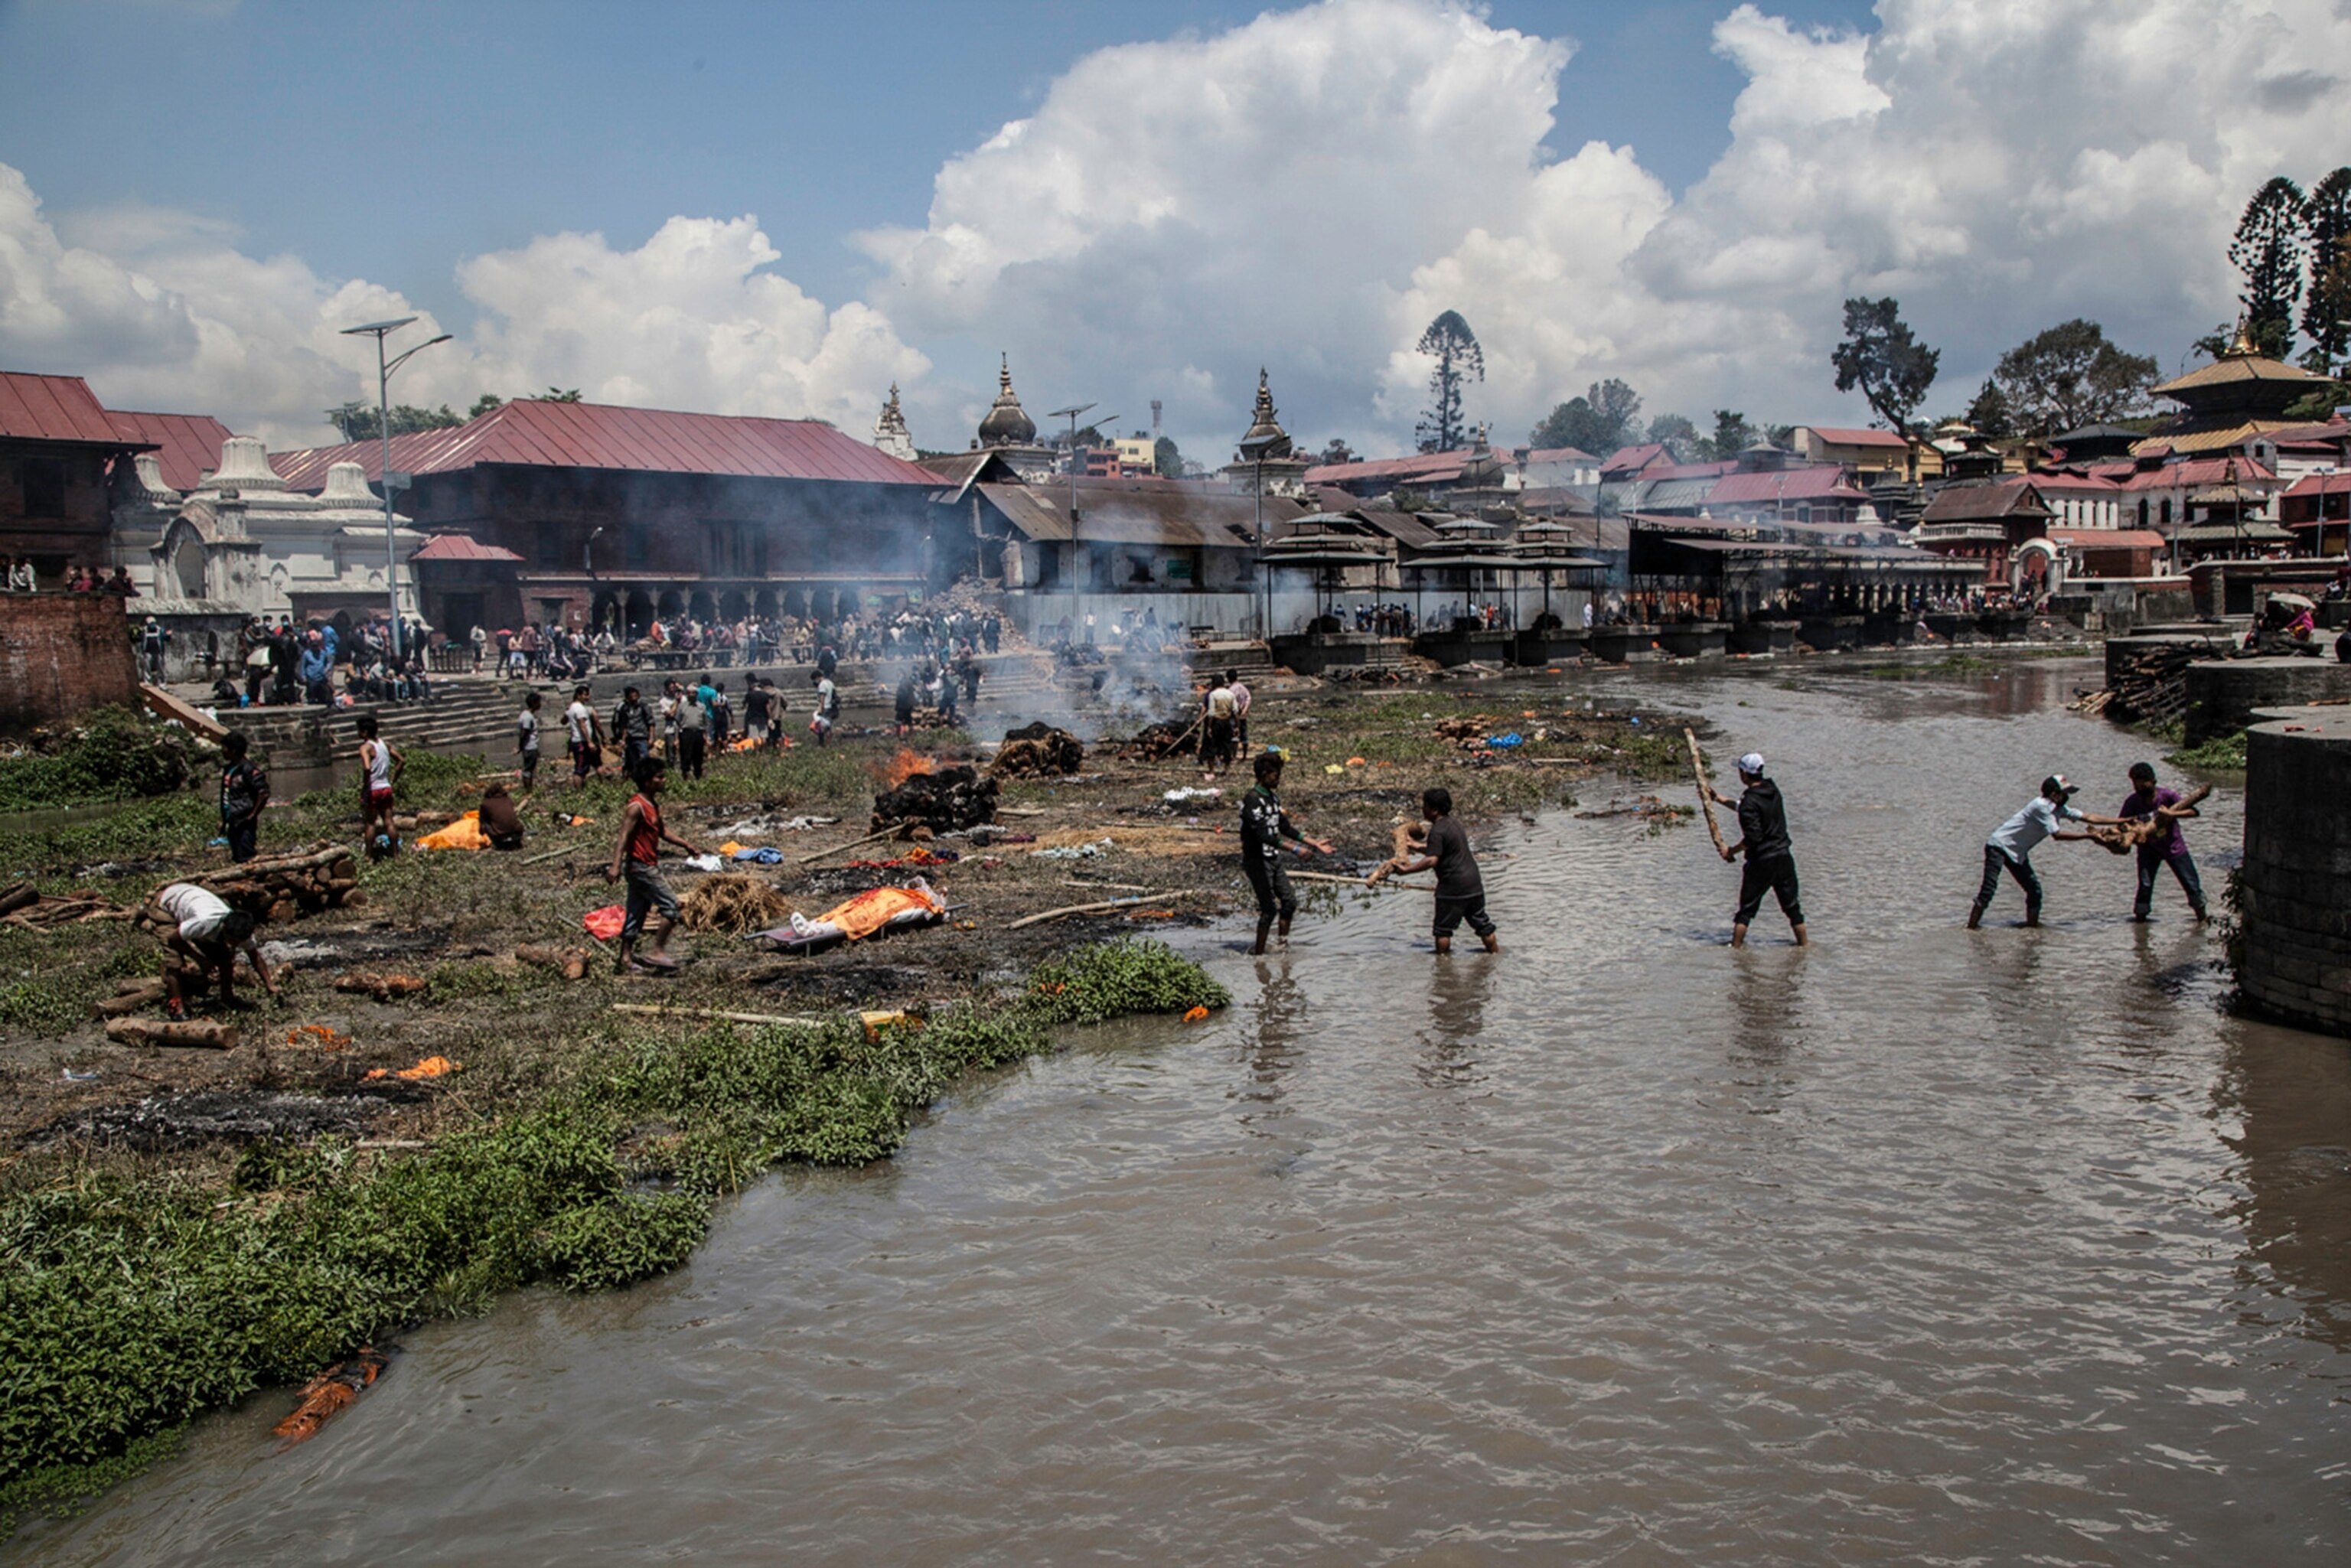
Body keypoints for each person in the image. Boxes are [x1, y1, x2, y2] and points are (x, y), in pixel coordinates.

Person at [605, 756, 706, 973]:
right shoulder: (636, 807)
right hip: (641, 867)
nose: (664, 780)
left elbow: (661, 831)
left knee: (636, 914)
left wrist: (686, 845)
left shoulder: (652, 805)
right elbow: (623, 836)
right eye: (660, 777)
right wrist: (615, 866)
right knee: (672, 907)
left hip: (644, 866)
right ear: (648, 781)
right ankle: (657, 951)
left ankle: (625, 959)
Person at [1969, 774, 2106, 929]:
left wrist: (2123, 820)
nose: (2066, 797)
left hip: (2017, 852)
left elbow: (2089, 817)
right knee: (1989, 889)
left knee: (2034, 890)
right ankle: (1971, 928)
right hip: (1999, 847)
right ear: (2054, 794)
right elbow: (2058, 835)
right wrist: (2089, 836)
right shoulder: (2041, 806)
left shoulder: (2058, 808)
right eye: (2064, 794)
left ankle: (2032, 929)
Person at [1376, 786, 1500, 955]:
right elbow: (1441, 850)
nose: (1423, 810)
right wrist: (1415, 846)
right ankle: (1495, 955)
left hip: (1453, 888)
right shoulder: (1454, 824)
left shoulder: (1437, 830)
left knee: (1443, 930)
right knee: (1483, 925)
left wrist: (1407, 869)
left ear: (1434, 810)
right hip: (1473, 885)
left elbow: (1432, 859)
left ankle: (1442, 968)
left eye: (1425, 806)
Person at [1234, 750, 1332, 955]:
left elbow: (1285, 828)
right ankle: (1258, 956)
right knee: (1269, 909)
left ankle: (1282, 947)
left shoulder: (1273, 799)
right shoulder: (1252, 801)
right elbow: (1263, 835)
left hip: (1273, 859)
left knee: (1289, 902)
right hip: (1257, 861)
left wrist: (1314, 843)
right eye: (1275, 775)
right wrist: (1295, 849)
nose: (1278, 779)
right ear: (1264, 774)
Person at [1709, 752, 1808, 948]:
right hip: (1783, 857)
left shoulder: (1749, 802)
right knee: (1793, 909)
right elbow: (1746, 807)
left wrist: (1731, 851)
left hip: (1762, 861)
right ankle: (1805, 948)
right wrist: (1718, 799)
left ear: (1744, 774)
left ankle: (1736, 951)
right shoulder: (1772, 790)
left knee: (1746, 911)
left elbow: (1753, 838)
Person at [144, 881, 277, 1018]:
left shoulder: (241, 929)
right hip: (167, 906)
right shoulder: (204, 922)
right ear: (225, 930)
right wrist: (200, 959)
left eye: (238, 942)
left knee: (225, 959)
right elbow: (174, 939)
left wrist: (269, 984)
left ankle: (228, 998)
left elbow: (255, 957)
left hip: (189, 909)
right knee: (174, 960)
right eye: (233, 941)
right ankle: (177, 1007)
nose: (235, 945)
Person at [2118, 761, 2209, 923]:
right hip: (2147, 850)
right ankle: (2140, 926)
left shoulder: (2168, 797)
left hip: (2173, 847)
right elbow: (2122, 824)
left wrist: (2172, 814)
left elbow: (2194, 812)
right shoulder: (2132, 802)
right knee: (2145, 885)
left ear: (2153, 781)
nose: (2139, 787)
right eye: (2135, 784)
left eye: (2142, 783)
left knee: (2190, 883)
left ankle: (2202, 918)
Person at [355, 712, 403, 856]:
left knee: (370, 823)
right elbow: (401, 760)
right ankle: (396, 854)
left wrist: (364, 788)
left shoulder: (365, 747)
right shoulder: (384, 744)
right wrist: (394, 779)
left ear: (364, 732)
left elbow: (367, 767)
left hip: (374, 789)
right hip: (386, 788)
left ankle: (368, 857)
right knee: (389, 821)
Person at [217, 731, 269, 864]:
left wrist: (253, 814)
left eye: (225, 749)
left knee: (246, 855)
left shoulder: (248, 769)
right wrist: (224, 821)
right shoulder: (228, 769)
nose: (222, 752)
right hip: (232, 818)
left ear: (233, 750)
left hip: (244, 818)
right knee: (236, 855)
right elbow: (226, 795)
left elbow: (263, 793)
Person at [1200, 673, 1238, 779]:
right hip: (1227, 722)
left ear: (1214, 683)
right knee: (1227, 747)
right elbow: (1235, 711)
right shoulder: (1230, 694)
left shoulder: (1213, 695)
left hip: (1216, 722)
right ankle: (1226, 770)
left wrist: (1209, 727)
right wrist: (1236, 726)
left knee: (1212, 746)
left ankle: (1212, 771)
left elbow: (1211, 712)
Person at [564, 684, 601, 786]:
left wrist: (567, 712)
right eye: (585, 695)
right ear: (578, 695)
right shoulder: (579, 708)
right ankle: (578, 794)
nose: (587, 697)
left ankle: (581, 789)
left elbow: (563, 721)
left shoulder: (571, 707)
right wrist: (589, 742)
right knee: (580, 769)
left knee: (584, 766)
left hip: (577, 740)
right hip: (581, 741)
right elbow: (582, 725)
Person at [611, 685, 653, 774]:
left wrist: (651, 737)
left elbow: (651, 723)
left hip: (641, 737)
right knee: (633, 761)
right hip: (630, 738)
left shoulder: (644, 707)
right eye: (631, 696)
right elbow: (625, 725)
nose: (633, 698)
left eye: (635, 696)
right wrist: (623, 739)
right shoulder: (625, 709)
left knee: (644, 758)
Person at [478, 780, 526, 850]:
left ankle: (496, 842)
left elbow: (483, 819)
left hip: (500, 836)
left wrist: (481, 831)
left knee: (484, 821)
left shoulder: (486, 803)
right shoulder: (507, 800)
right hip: (517, 833)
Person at [677, 684, 708, 779]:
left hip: (698, 733)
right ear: (687, 694)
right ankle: (685, 773)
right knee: (686, 754)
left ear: (697, 694)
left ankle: (698, 773)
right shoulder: (682, 706)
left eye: (694, 693)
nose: (692, 695)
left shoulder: (702, 706)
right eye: (689, 693)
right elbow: (678, 719)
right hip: (686, 733)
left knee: (698, 754)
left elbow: (705, 721)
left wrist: (705, 735)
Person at [517, 690, 543, 794]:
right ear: (534, 703)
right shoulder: (527, 717)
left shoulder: (525, 715)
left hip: (530, 747)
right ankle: (528, 792)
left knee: (529, 770)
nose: (540, 705)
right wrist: (520, 747)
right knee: (528, 771)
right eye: (539, 702)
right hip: (529, 747)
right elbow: (524, 733)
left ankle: (529, 791)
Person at [810, 669, 838, 746]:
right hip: (832, 707)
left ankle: (822, 743)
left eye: (815, 680)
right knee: (828, 726)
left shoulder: (822, 684)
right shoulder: (830, 682)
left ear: (817, 678)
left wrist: (821, 708)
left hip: (826, 707)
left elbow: (823, 696)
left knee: (822, 727)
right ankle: (828, 743)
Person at [1228, 669, 1252, 755]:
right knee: (1244, 734)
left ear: (1229, 678)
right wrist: (1245, 710)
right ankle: (1244, 755)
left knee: (1234, 735)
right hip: (1242, 715)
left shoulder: (1231, 690)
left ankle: (1234, 755)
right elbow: (1248, 698)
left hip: (1234, 715)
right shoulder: (1243, 687)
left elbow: (1231, 702)